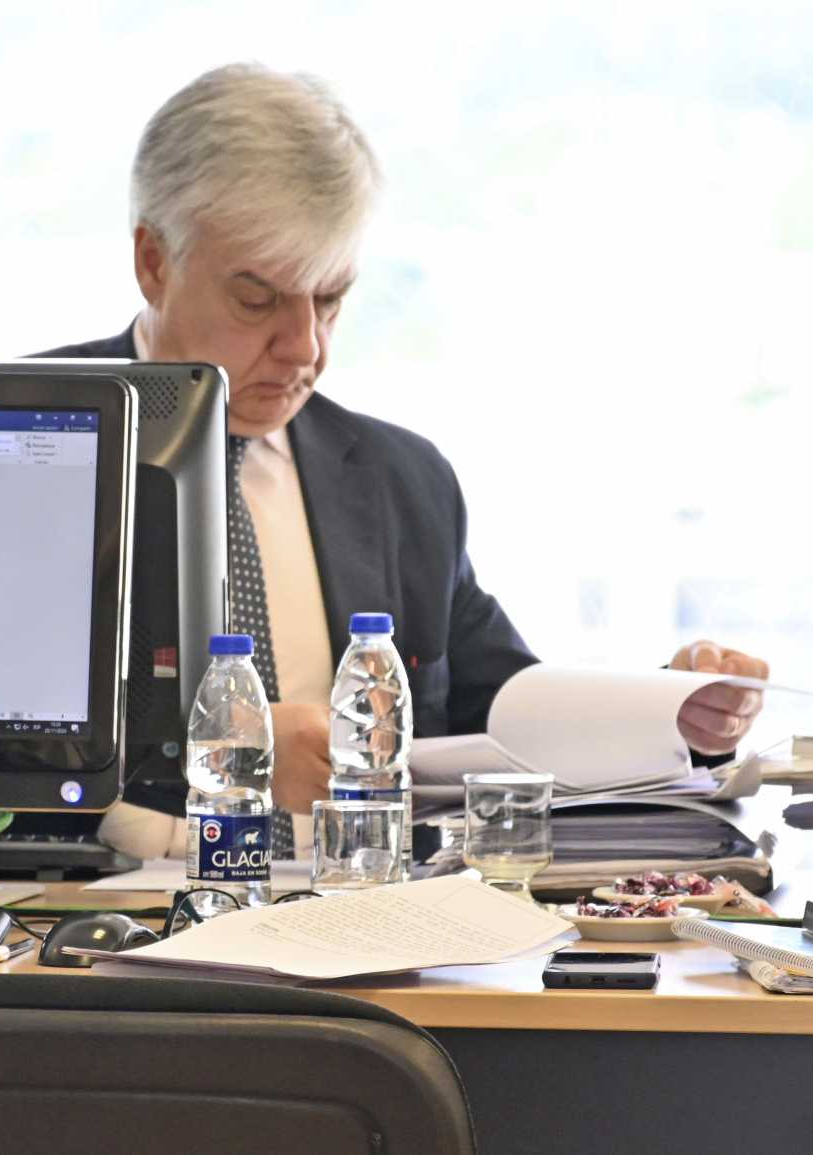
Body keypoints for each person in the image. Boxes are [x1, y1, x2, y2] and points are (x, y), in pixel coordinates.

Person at [39, 64, 769, 855]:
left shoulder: (402, 482)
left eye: (330, 298)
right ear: (154, 261)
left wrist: (665, 715)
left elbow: (510, 723)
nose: (304, 348)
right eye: (257, 299)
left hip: (363, 925)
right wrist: (229, 751)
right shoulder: (25, 449)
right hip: (94, 940)